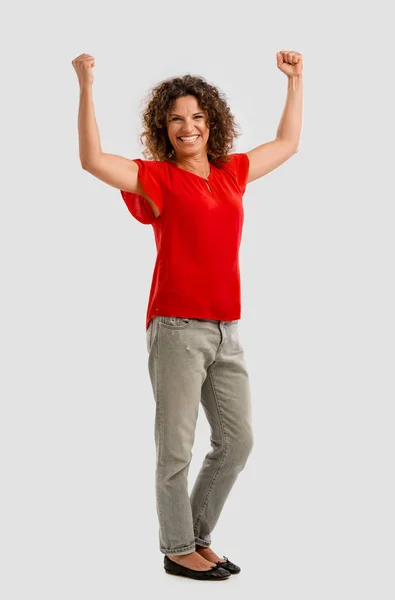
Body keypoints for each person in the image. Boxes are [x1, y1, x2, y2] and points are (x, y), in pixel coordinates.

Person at [72, 51, 303, 580]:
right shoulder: (156, 179)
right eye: (176, 118)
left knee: (238, 441)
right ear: (164, 127)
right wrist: (86, 86)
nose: (188, 126)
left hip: (228, 330)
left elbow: (287, 144)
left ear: (211, 122)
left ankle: (193, 535)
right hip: (176, 327)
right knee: (175, 448)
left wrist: (295, 82)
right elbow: (91, 160)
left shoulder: (231, 173)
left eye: (197, 117)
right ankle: (178, 549)